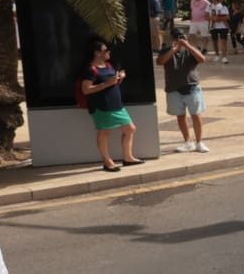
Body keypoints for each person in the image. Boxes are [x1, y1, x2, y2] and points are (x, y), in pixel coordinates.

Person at [76, 37, 142, 171]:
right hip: (102, 106)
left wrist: (119, 78)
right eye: (106, 50)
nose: (109, 52)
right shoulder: (90, 69)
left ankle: (128, 157)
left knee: (130, 129)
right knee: (104, 133)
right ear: (97, 53)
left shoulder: (109, 66)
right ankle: (107, 161)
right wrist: (107, 83)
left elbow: (112, 84)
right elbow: (86, 90)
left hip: (116, 104)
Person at [156, 32, 208, 152]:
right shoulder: (166, 50)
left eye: (183, 37)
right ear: (173, 39)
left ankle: (199, 142)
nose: (181, 40)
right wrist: (174, 49)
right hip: (173, 89)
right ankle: (187, 142)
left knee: (196, 115)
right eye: (178, 38)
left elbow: (202, 59)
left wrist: (188, 46)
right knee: (180, 116)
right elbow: (160, 62)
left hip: (192, 87)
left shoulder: (191, 50)